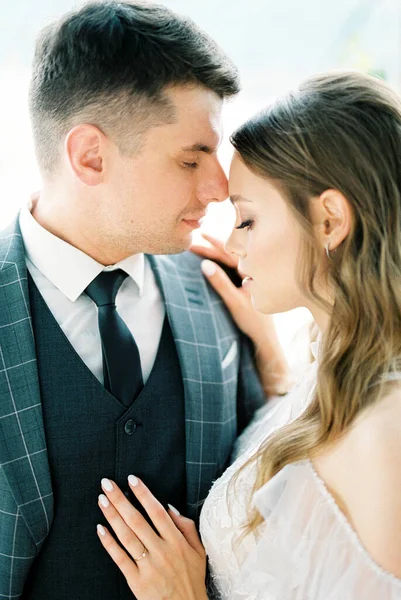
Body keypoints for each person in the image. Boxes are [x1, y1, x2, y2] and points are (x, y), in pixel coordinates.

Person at [0, 2, 290, 599]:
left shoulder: (231, 287)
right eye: (191, 158)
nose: (218, 189)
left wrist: (277, 370)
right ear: (90, 156)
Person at [95, 71, 401, 599]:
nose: (230, 242)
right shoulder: (330, 369)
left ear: (329, 221)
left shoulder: (384, 434)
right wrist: (276, 367)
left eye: (248, 219)